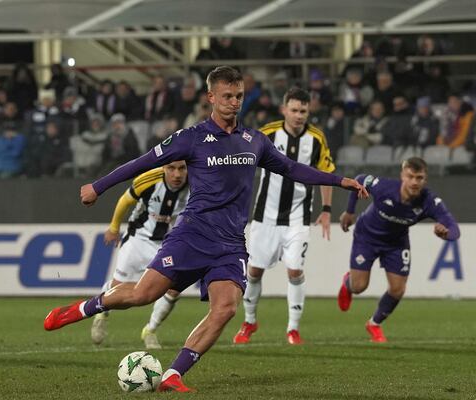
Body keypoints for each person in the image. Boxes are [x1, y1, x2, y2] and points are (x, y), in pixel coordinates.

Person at [43, 66, 367, 393]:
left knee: (226, 307)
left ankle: (173, 374)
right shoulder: (191, 138)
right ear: (211, 97)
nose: (233, 102)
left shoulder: (254, 141)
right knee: (143, 294)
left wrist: (340, 181)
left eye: (238, 96)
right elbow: (142, 162)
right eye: (226, 96)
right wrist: (98, 187)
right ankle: (85, 308)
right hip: (192, 235)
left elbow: (293, 169)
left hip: (230, 244)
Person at [233, 88, 335, 346]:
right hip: (264, 217)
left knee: (295, 271)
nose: (299, 115)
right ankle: (250, 322)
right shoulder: (267, 133)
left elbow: (326, 174)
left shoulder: (316, 138)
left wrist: (326, 210)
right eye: (294, 110)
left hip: (297, 219)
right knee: (254, 272)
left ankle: (293, 329)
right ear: (284, 110)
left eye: (303, 111)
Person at [337, 157, 459, 342]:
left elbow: (454, 228)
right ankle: (348, 283)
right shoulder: (384, 187)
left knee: (397, 289)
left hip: (396, 243)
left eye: (419, 178)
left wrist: (446, 234)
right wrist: (350, 211)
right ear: (403, 175)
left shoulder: (429, 201)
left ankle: (374, 324)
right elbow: (359, 180)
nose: (414, 182)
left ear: (425, 179)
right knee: (359, 286)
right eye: (410, 176)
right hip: (367, 237)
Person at [91, 161, 189, 349]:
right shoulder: (149, 179)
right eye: (171, 168)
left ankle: (150, 330)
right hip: (139, 239)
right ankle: (102, 312)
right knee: (119, 288)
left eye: (182, 168)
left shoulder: (197, 182)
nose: (177, 174)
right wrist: (114, 228)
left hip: (167, 244)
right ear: (164, 168)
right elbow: (125, 201)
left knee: (174, 289)